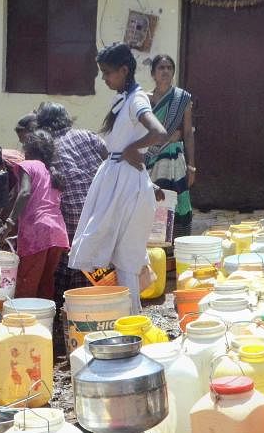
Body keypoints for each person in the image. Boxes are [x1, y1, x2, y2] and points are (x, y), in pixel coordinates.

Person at [68, 43, 169, 313]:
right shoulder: (123, 98)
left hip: (124, 182)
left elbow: (159, 133)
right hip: (120, 179)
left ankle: (131, 319)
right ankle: (122, 314)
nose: (104, 79)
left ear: (124, 70)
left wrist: (131, 150)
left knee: (124, 257)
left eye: (108, 73)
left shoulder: (136, 99)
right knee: (112, 252)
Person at [35, 101, 108, 295]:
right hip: (99, 212)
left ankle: (65, 308)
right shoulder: (88, 136)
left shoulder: (46, 147)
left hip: (70, 217)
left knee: (65, 261)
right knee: (95, 258)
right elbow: (112, 160)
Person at [0, 130, 69, 299]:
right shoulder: (52, 171)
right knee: (46, 282)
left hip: (37, 232)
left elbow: (24, 193)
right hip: (57, 232)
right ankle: (45, 323)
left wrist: (8, 224)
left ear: (28, 149)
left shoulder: (28, 165)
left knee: (26, 283)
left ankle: (23, 322)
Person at [145, 54, 197, 236]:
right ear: (153, 73)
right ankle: (154, 247)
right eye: (161, 68)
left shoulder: (181, 98)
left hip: (175, 160)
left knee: (177, 202)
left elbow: (188, 133)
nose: (165, 71)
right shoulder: (144, 100)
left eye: (169, 68)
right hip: (151, 161)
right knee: (153, 201)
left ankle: (177, 245)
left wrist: (191, 165)